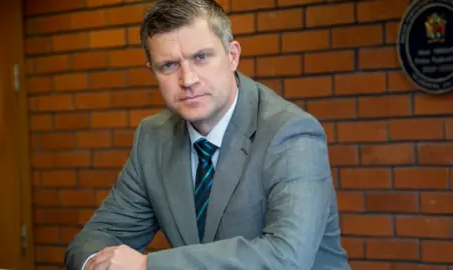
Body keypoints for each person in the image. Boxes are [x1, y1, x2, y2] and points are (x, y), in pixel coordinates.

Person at [64, 0, 351, 269]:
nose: (187, 80)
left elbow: (287, 257)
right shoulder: (152, 138)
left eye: (201, 57)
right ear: (153, 71)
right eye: (169, 65)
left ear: (232, 56)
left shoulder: (290, 133)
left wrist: (146, 265)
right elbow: (97, 237)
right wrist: (96, 263)